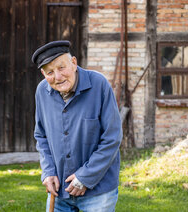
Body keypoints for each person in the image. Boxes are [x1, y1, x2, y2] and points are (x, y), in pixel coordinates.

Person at [32, 40, 122, 212]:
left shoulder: (99, 85)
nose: (57, 77)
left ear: (73, 63)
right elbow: (41, 135)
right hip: (59, 191)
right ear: (44, 74)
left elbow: (112, 137)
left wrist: (85, 177)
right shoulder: (42, 91)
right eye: (50, 72)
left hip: (98, 191)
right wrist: (48, 171)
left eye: (61, 68)